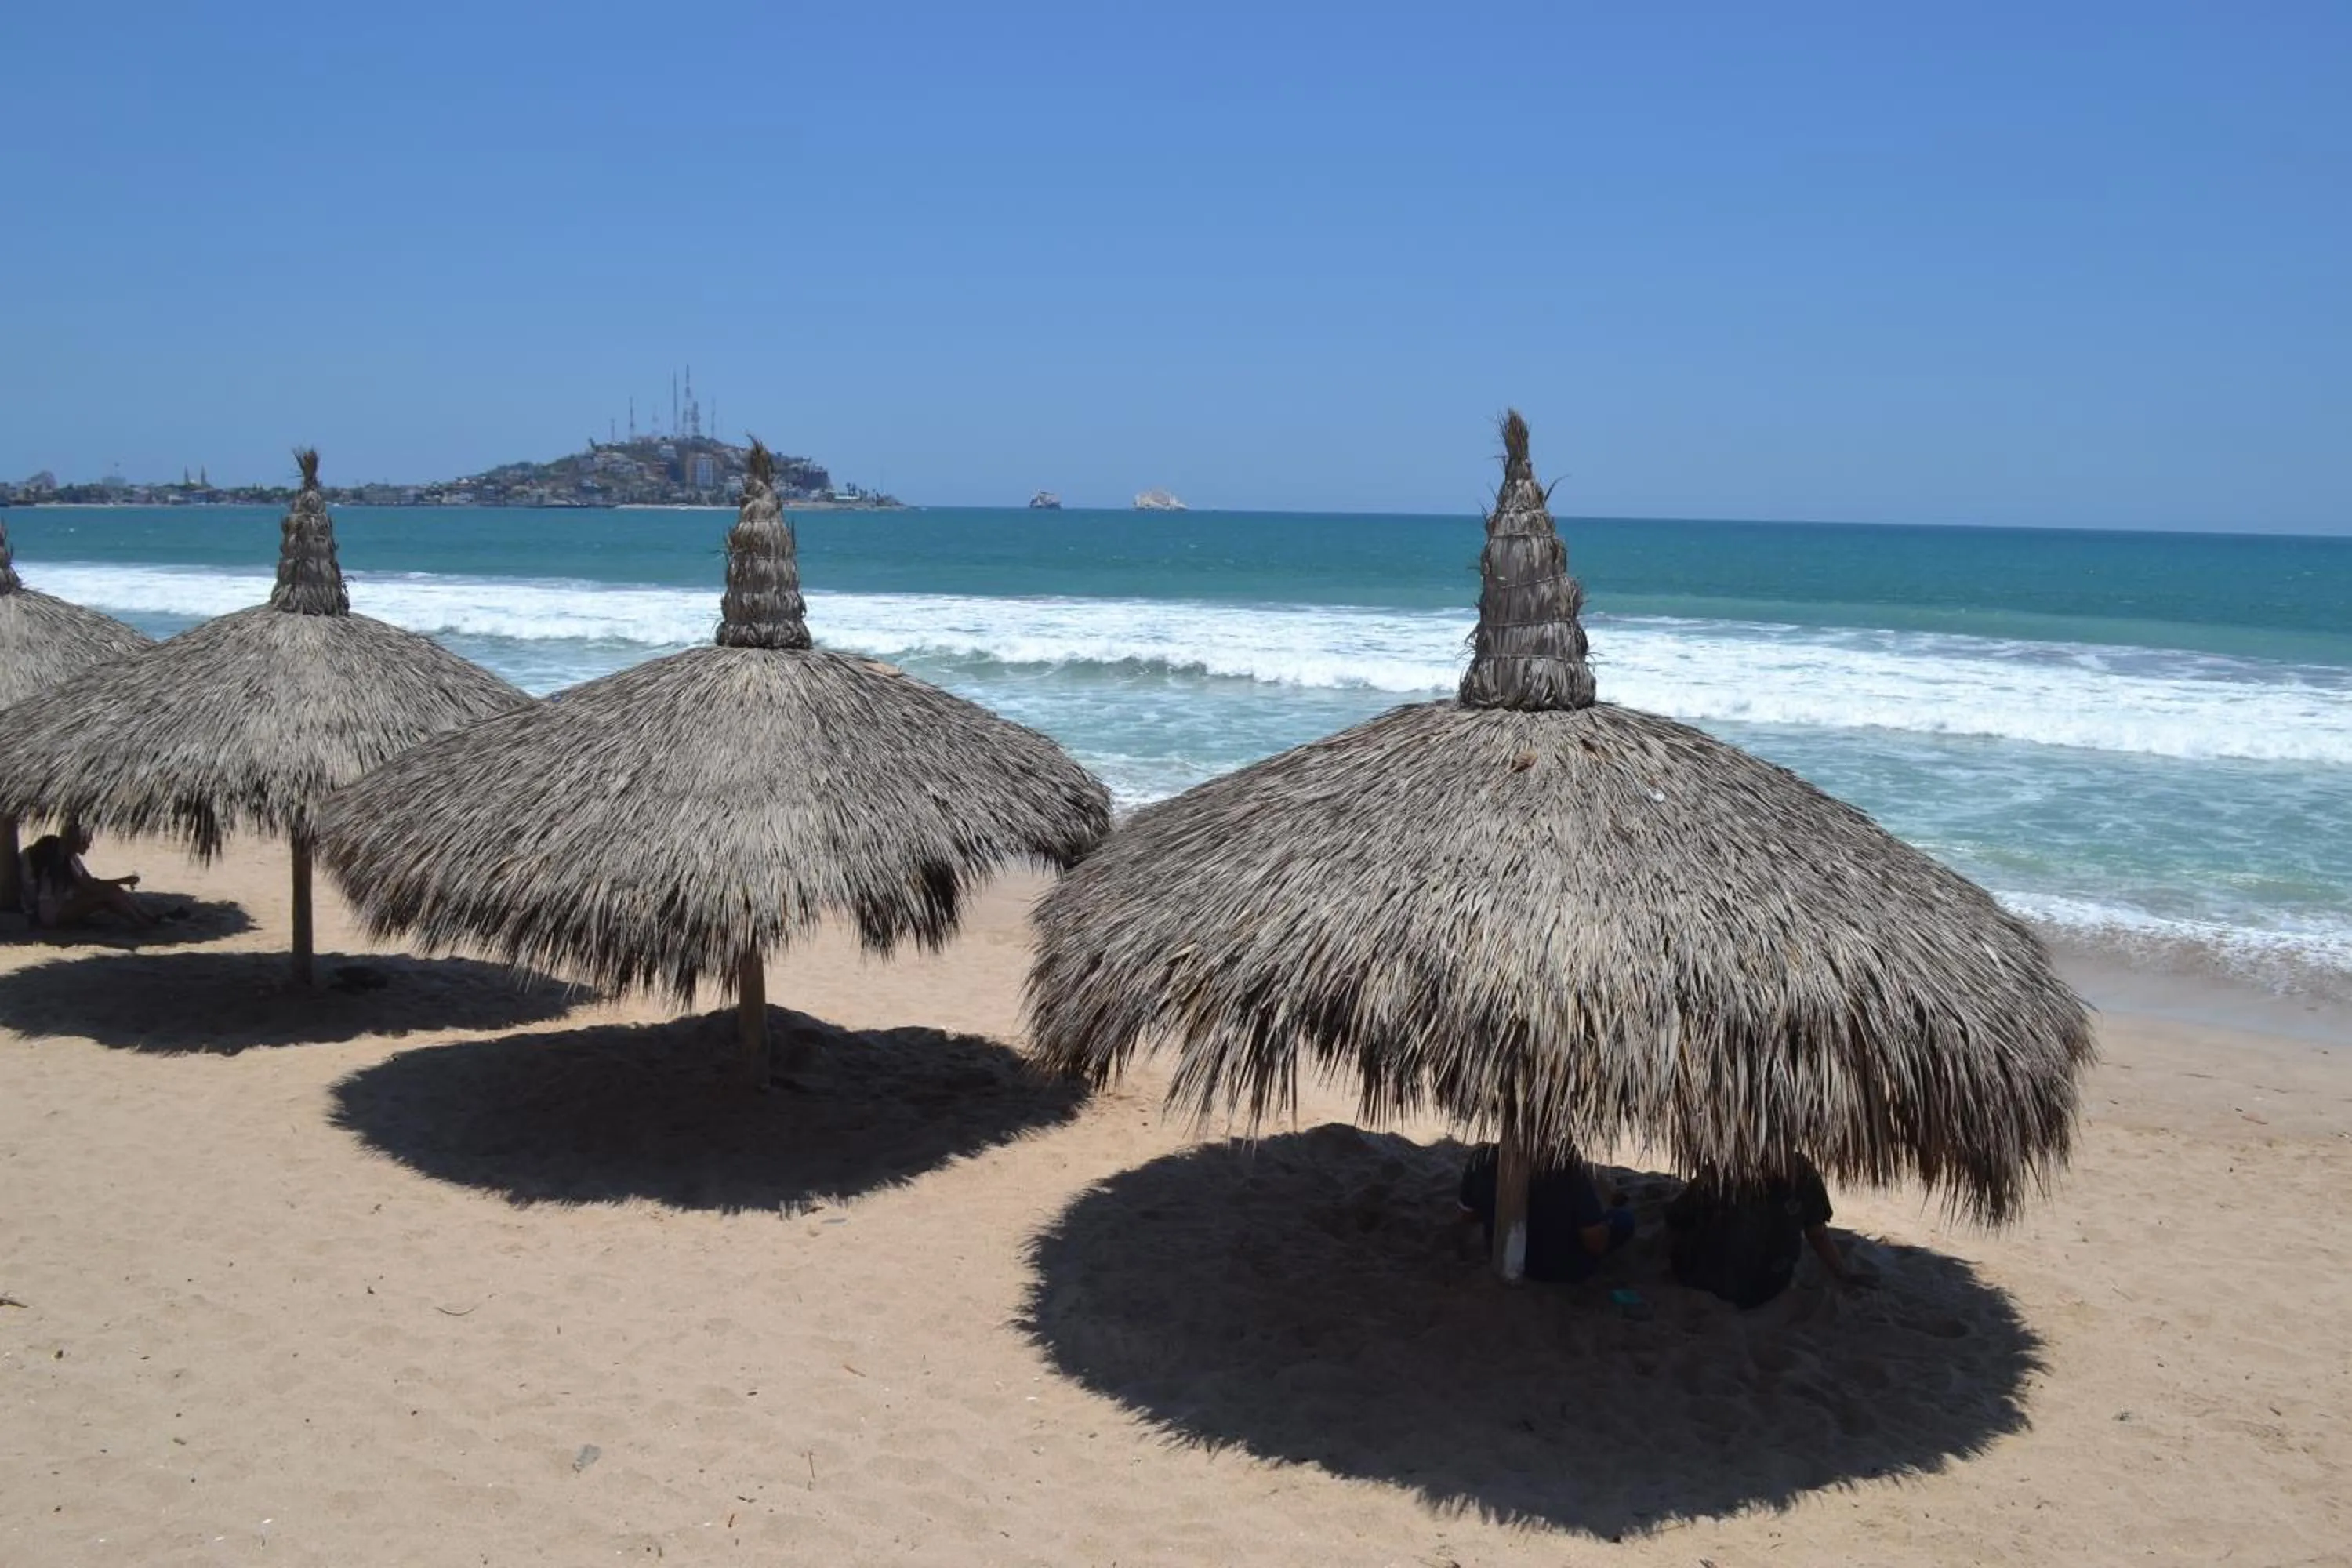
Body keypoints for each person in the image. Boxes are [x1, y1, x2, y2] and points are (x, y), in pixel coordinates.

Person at [1664, 1152, 1865, 1308]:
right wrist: (1842, 1272)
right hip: (1769, 1285)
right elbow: (1818, 1234)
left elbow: (1676, 1216)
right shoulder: (1803, 1173)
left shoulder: (1725, 1169)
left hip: (1712, 1282)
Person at [1457, 1143, 1635, 1283]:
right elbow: (1595, 1242)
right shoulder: (1565, 1169)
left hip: (1501, 1255)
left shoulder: (1480, 1159)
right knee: (1624, 1219)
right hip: (1561, 1268)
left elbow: (1469, 1216)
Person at [22, 824, 158, 930]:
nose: (88, 846)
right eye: (86, 842)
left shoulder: (69, 856)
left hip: (59, 906)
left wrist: (121, 881)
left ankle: (148, 919)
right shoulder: (59, 858)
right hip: (52, 913)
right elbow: (90, 886)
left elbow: (90, 882)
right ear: (76, 841)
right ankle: (145, 923)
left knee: (113, 892)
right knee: (110, 894)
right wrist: (124, 880)